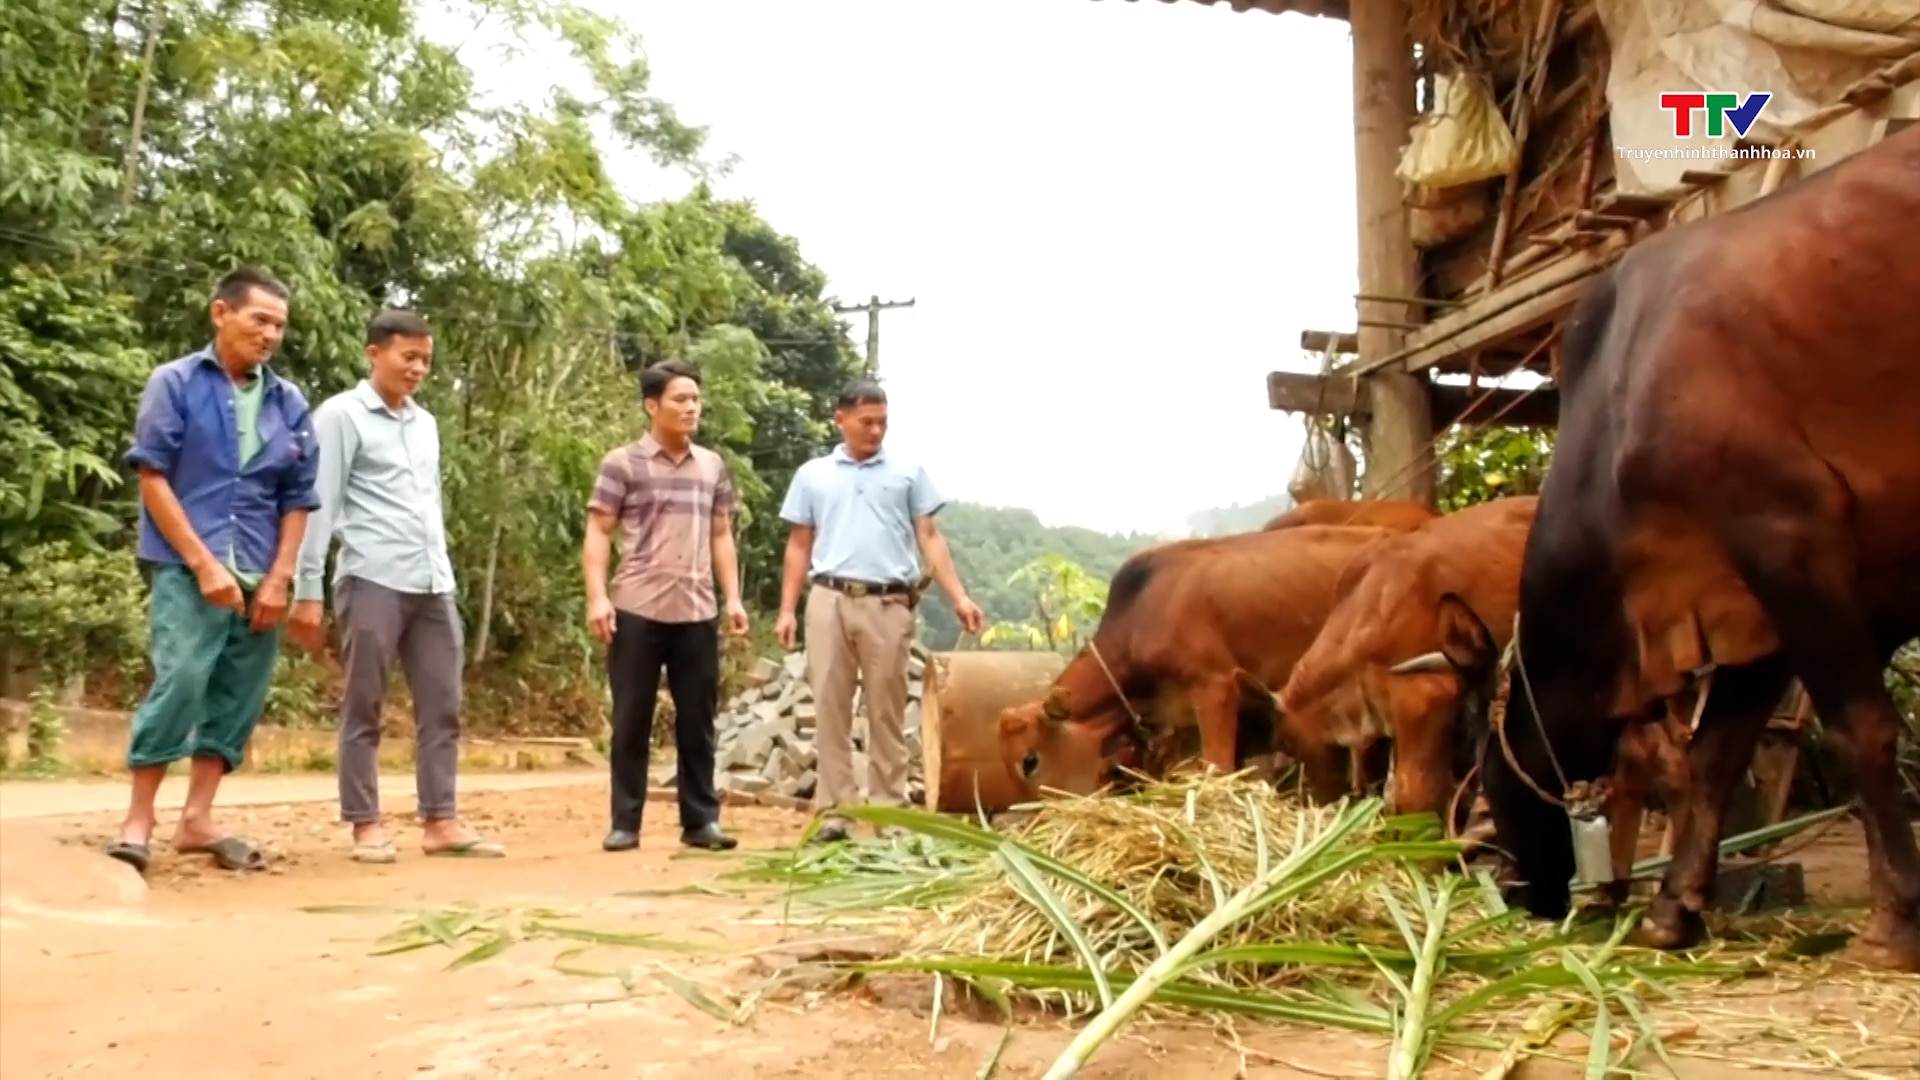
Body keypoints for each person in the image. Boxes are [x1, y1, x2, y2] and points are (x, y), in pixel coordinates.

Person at [105, 266, 321, 876]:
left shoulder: (289, 401)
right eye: (260, 320)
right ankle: (139, 818)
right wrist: (203, 564)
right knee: (181, 678)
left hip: (260, 569)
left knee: (238, 695)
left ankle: (197, 818)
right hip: (184, 564)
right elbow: (153, 478)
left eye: (279, 325)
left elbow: (298, 498)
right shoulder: (174, 382)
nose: (271, 334)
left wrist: (282, 577)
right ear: (220, 313)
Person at [289, 309, 503, 863]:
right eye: (409, 357)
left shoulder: (425, 423)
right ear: (374, 353)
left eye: (426, 360)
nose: (418, 369)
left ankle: (441, 820)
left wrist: (443, 568)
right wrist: (306, 586)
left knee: (444, 704)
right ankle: (365, 823)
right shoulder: (340, 416)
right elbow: (319, 501)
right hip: (371, 578)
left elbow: (428, 502)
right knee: (366, 703)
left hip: (433, 582)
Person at [774, 379, 986, 843]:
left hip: (888, 602)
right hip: (828, 600)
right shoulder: (813, 474)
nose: (875, 431)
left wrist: (959, 597)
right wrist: (787, 609)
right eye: (866, 422)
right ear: (841, 420)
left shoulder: (908, 473)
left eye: (882, 423)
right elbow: (799, 543)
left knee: (885, 709)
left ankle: (891, 810)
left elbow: (929, 536)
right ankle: (835, 811)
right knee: (830, 706)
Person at [583, 359, 750, 854]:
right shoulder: (622, 463)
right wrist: (597, 597)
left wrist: (733, 597)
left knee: (697, 720)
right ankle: (625, 823)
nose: (691, 407)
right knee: (631, 717)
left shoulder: (712, 466)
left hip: (697, 610)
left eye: (696, 399)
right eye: (680, 399)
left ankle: (701, 821)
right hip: (636, 606)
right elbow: (599, 530)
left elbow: (721, 534)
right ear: (651, 405)